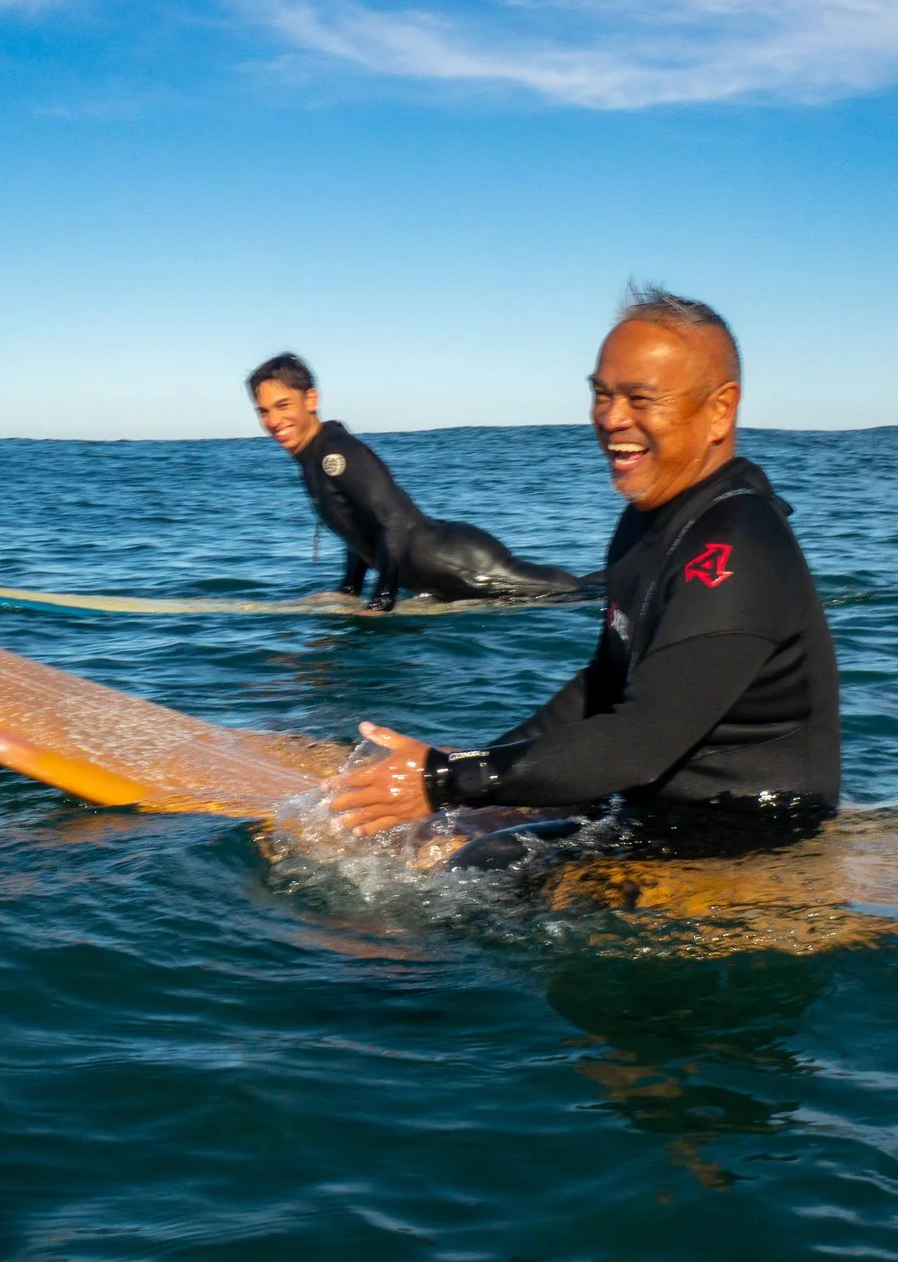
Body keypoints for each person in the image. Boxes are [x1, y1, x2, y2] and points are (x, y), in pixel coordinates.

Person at [324, 288, 840, 866]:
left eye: (640, 398)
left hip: (751, 831)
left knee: (475, 868)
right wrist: (474, 764)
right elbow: (603, 686)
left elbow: (640, 739)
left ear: (720, 409)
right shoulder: (649, 522)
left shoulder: (736, 545)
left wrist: (445, 782)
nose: (611, 418)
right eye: (601, 393)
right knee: (437, 840)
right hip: (658, 806)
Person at [248, 353, 587, 611]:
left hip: (459, 561)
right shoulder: (313, 458)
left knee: (574, 594)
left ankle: (628, 583)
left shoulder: (335, 454)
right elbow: (359, 528)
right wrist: (349, 591)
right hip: (439, 569)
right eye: (264, 411)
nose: (274, 421)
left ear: (311, 400)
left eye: (282, 406)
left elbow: (392, 523)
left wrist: (382, 601)